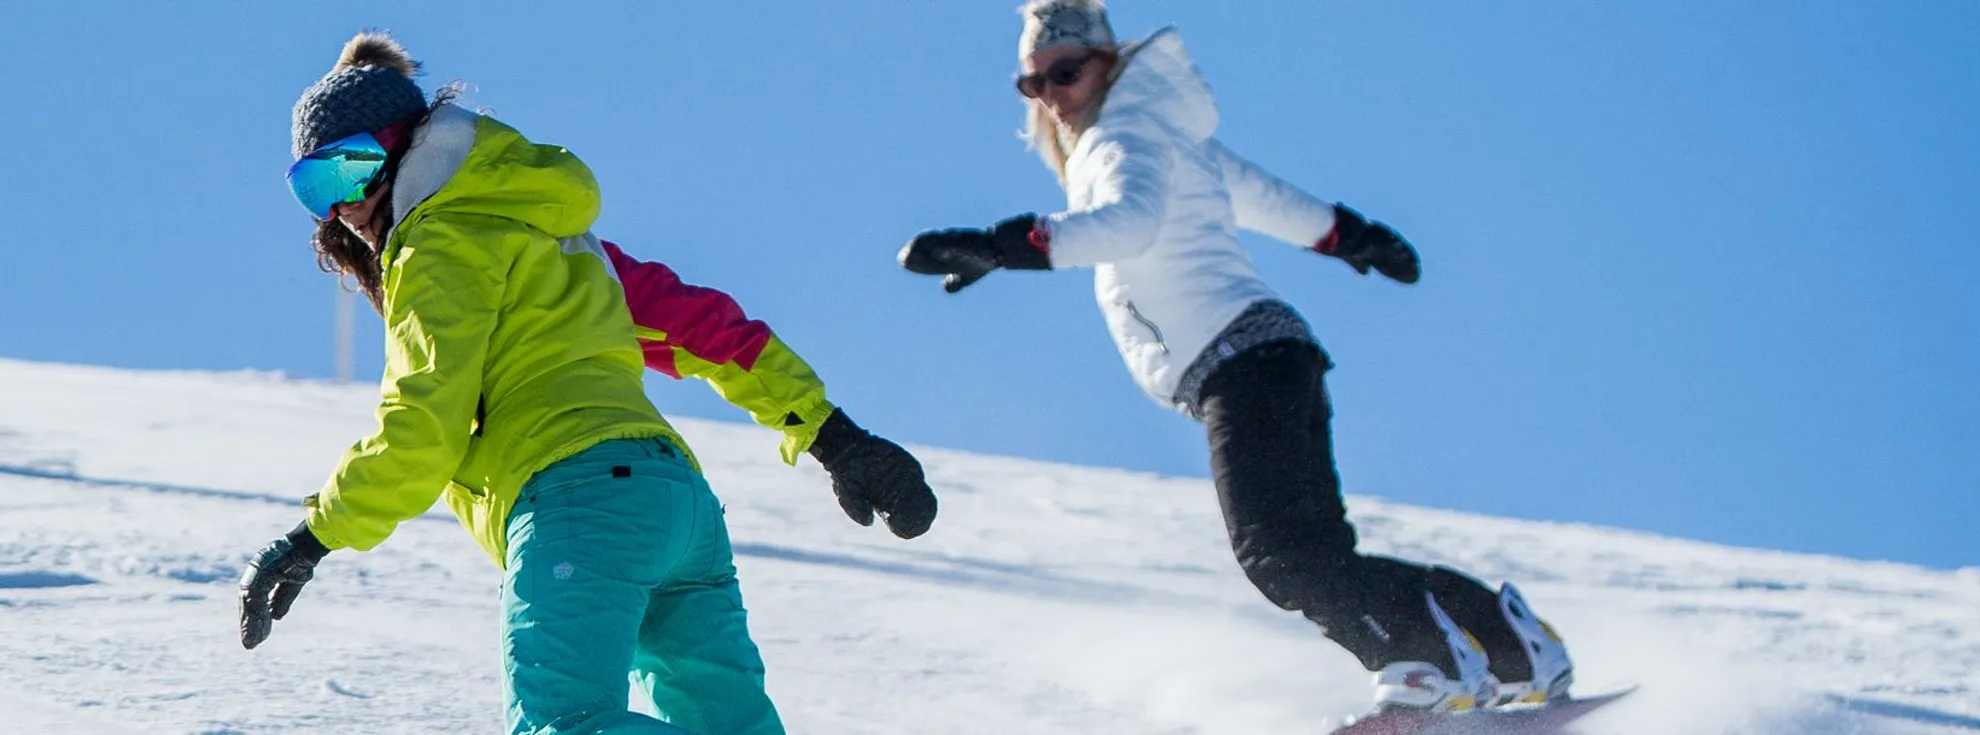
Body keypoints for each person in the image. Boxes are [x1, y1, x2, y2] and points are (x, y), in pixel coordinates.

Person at [237, 32, 937, 735]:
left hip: (578, 503)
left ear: (401, 146)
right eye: (314, 189)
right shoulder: (559, 236)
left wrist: (313, 537)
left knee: (564, 724)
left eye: (348, 171)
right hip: (677, 508)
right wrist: (833, 436)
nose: (341, 211)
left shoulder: (436, 244)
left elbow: (425, 423)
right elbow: (709, 332)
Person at [897, 0, 1572, 713]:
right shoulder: (1164, 131)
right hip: (1275, 354)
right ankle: (1514, 649)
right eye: (1032, 85)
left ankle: (1425, 665)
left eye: (1065, 73)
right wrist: (1350, 236)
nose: (1052, 96)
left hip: (1240, 364)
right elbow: (1263, 196)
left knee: (1280, 558)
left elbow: (1129, 225)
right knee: (1316, 559)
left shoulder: (1119, 137)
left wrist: (1001, 246)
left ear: (1108, 62)